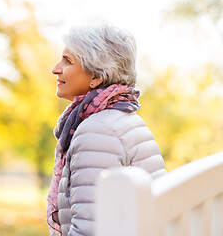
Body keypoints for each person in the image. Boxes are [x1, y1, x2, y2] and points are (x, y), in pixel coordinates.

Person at [46, 22, 167, 236]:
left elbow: (90, 230)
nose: (55, 68)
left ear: (97, 77)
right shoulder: (123, 118)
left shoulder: (97, 131)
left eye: (67, 61)